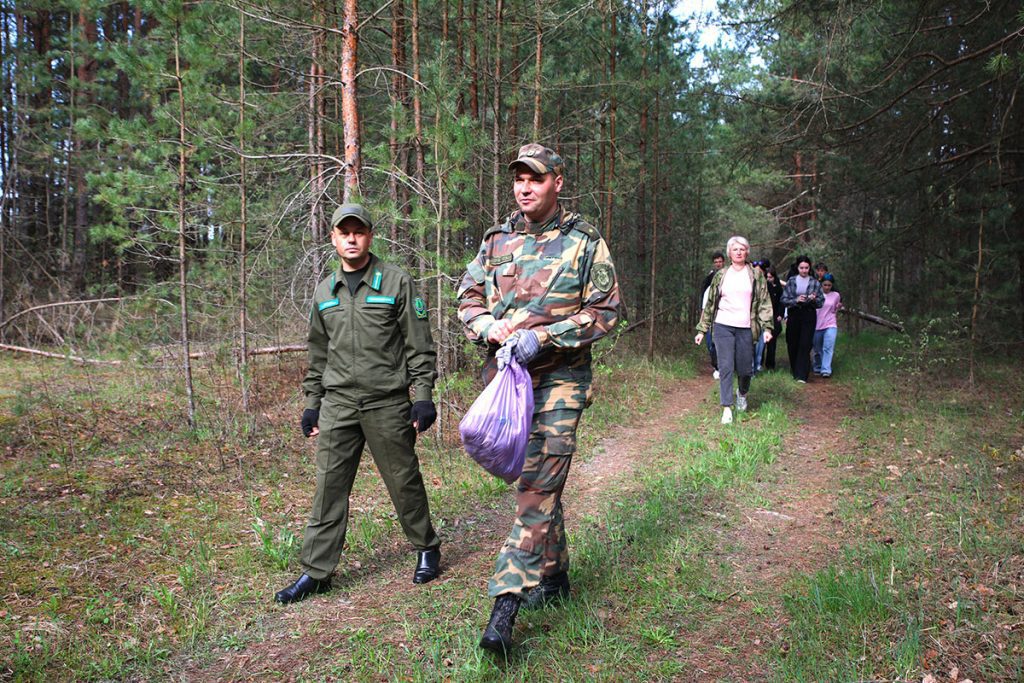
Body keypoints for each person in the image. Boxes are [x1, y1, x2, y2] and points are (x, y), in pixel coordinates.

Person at [457, 143, 622, 654]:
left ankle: (504, 610)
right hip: (508, 383)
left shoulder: (584, 241)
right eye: (518, 179)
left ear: (557, 182)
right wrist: (485, 325)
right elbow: (467, 297)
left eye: (535, 178)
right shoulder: (497, 239)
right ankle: (554, 577)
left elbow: (606, 311)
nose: (524, 187)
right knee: (540, 484)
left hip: (561, 380)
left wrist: (545, 336)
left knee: (536, 486)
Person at [275, 203, 442, 605]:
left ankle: (426, 547)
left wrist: (422, 399)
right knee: (329, 487)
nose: (351, 239)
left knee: (403, 481)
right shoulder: (324, 292)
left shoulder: (395, 282)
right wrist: (312, 404)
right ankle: (317, 571)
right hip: (338, 404)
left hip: (386, 402)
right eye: (343, 232)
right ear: (333, 238)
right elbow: (318, 355)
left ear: (370, 236)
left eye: (359, 231)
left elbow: (419, 346)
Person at [694, 236, 774, 425]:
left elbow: (764, 301)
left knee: (746, 369)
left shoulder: (755, 274)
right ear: (729, 253)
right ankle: (727, 408)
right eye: (735, 249)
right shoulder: (721, 275)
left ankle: (742, 393)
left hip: (746, 327)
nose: (738, 252)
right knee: (726, 366)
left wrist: (767, 327)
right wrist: (701, 330)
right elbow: (711, 304)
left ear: (747, 252)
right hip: (723, 326)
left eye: (742, 249)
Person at [780, 255, 824, 383]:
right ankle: (795, 370)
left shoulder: (815, 282)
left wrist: (814, 299)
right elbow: (784, 299)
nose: (804, 270)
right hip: (794, 314)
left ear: (809, 268)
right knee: (793, 343)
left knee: (805, 344)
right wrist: (796, 300)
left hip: (809, 314)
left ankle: (802, 375)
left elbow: (821, 301)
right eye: (801, 268)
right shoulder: (792, 281)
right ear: (797, 268)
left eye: (806, 268)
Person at [699, 252, 726, 378]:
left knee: (722, 345)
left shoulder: (729, 278)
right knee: (711, 345)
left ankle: (723, 367)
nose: (718, 264)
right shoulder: (708, 285)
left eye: (720, 261)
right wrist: (701, 324)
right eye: (716, 262)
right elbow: (704, 306)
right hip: (711, 321)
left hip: (724, 319)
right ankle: (716, 366)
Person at [813, 274, 842, 377]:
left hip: (830, 323)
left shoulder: (836, 295)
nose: (827, 287)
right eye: (825, 285)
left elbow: (835, 309)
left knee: (828, 347)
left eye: (829, 285)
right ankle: (817, 366)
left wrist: (838, 307)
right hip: (816, 324)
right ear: (821, 284)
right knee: (817, 349)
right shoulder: (815, 294)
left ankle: (826, 370)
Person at [761, 266, 784, 370]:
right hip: (764, 316)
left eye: (771, 277)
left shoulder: (778, 288)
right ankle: (759, 363)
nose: (769, 279)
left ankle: (770, 365)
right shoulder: (764, 288)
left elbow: (781, 302)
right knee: (762, 342)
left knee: (772, 342)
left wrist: (780, 314)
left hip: (774, 317)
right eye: (767, 277)